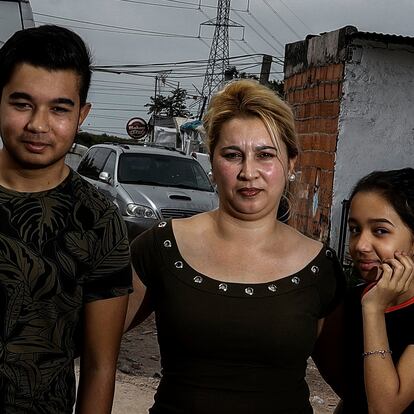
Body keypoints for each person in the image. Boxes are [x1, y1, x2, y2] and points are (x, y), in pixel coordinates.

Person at [125, 79, 345, 413]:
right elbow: (91, 346)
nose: (248, 172)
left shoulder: (321, 267)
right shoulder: (160, 246)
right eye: (232, 155)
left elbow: (358, 388)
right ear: (212, 162)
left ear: (291, 164)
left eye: (265, 154)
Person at [0, 25, 132, 413]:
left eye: (59, 108)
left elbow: (99, 366)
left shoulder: (99, 221)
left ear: (82, 114)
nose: (38, 125)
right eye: (22, 103)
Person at [334, 168, 414, 413]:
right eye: (355, 229)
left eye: (380, 230)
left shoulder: (368, 304)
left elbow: (384, 408)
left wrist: (373, 310)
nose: (361, 245)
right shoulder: (349, 300)